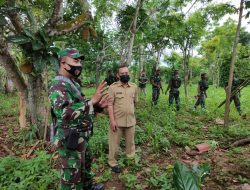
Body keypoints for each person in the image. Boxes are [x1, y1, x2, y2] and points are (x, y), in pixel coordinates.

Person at [49, 48, 108, 190]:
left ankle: (88, 186)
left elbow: (77, 106)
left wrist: (97, 106)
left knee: (84, 167)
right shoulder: (58, 85)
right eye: (75, 60)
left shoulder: (72, 82)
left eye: (80, 61)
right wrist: (91, 102)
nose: (79, 64)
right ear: (63, 62)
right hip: (70, 138)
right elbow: (64, 113)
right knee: (72, 177)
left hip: (81, 136)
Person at [107, 65, 138, 173]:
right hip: (117, 122)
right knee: (114, 144)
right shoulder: (113, 87)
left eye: (126, 73)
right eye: (122, 73)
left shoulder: (134, 87)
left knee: (130, 143)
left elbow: (135, 103)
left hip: (130, 121)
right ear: (118, 75)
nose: (125, 75)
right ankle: (112, 163)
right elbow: (109, 105)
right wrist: (112, 120)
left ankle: (130, 160)